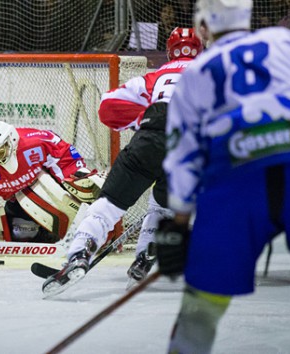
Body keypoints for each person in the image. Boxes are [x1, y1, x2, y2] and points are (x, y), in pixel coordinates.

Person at [156, 0, 290, 352]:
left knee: (201, 308)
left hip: (235, 183)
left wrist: (179, 224)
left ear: (203, 27)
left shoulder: (196, 71)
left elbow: (183, 157)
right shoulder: (287, 42)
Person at [42, 27, 203, 295]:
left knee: (108, 206)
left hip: (151, 139)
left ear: (169, 51)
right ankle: (145, 255)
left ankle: (80, 253)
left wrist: (143, 121)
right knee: (164, 204)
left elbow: (108, 106)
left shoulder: (154, 77)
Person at [0, 120, 105, 259]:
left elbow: (66, 160)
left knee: (73, 188)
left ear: (12, 140)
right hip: (15, 205)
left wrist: (79, 180)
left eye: (1, 151)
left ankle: (89, 226)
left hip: (48, 193)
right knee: (22, 231)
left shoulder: (39, 141)